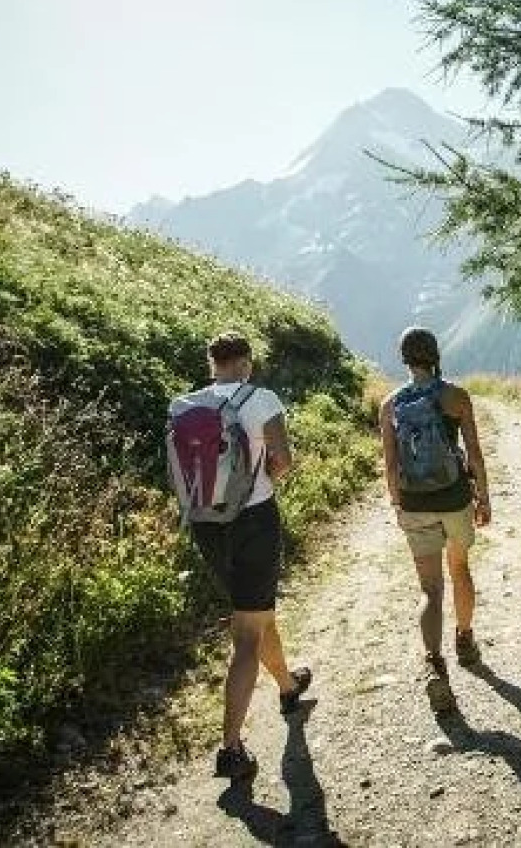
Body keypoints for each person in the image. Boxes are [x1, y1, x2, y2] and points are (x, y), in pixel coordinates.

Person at [171, 331, 314, 782]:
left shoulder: (186, 405)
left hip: (205, 524)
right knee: (247, 634)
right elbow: (283, 460)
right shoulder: (261, 397)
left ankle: (289, 687)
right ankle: (230, 748)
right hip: (253, 520)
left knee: (254, 612)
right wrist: (267, 474)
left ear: (211, 362)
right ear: (246, 362)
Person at [378, 326, 491, 713]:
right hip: (455, 498)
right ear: (436, 354)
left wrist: (398, 504)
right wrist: (484, 497)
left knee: (429, 589)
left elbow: (391, 466)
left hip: (414, 503)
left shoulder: (390, 405)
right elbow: (473, 452)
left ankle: (433, 665)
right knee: (459, 569)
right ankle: (464, 639)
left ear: (405, 359)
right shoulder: (456, 397)